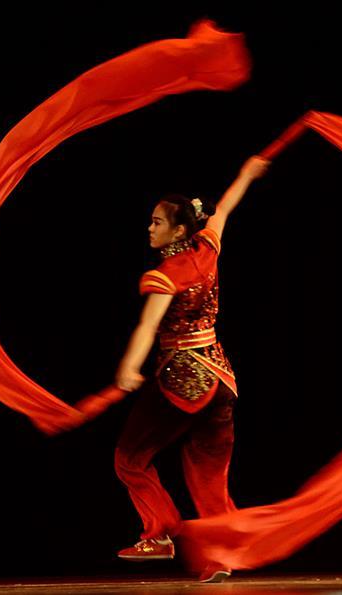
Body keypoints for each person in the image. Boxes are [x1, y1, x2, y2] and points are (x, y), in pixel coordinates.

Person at [111, 155, 271, 582]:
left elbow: (147, 326)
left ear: (179, 230)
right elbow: (227, 208)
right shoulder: (207, 248)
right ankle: (218, 558)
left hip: (184, 380)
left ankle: (160, 534)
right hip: (221, 378)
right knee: (208, 476)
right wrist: (245, 175)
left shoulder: (169, 272)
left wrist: (128, 368)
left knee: (129, 459)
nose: (149, 228)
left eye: (157, 222)